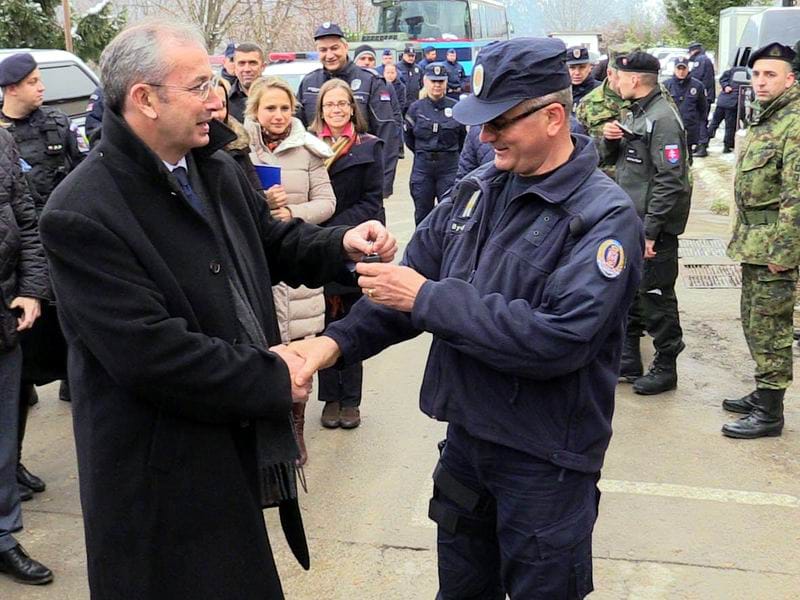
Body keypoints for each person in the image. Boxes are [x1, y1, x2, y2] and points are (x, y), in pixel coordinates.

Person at [37, 21, 396, 599]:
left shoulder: (214, 167)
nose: (218, 97)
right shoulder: (81, 212)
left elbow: (271, 244)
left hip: (228, 442)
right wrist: (274, 376)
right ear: (145, 99)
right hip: (159, 472)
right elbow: (152, 355)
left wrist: (342, 247)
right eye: (200, 85)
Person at [287, 37, 643, 599]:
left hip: (544, 461)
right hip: (468, 444)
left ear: (553, 117)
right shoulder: (477, 191)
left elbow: (560, 338)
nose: (485, 136)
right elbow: (398, 293)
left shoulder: (604, 218)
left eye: (499, 122)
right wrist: (327, 347)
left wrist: (428, 297)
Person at [0, 52, 84, 496]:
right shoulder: (3, 138)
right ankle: (9, 464)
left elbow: (83, 173)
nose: (42, 88)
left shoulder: (56, 125)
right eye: (33, 82)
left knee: (64, 356)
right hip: (20, 274)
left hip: (59, 261)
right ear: (11, 88)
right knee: (17, 381)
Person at [244, 76, 337, 464]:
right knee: (260, 351)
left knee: (300, 353)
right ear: (255, 112)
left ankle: (296, 429)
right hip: (258, 266)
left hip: (296, 270)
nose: (278, 115)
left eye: (285, 108)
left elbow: (327, 203)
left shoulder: (309, 151)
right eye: (270, 108)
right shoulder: (238, 151)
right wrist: (260, 204)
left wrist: (291, 214)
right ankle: (268, 428)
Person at [599, 51, 691, 395]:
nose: (615, 81)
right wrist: (610, 141)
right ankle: (629, 361)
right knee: (633, 293)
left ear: (634, 79)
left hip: (654, 228)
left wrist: (651, 232)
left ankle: (666, 365)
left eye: (619, 76)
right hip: (633, 223)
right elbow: (622, 163)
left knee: (656, 296)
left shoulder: (662, 117)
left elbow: (671, 180)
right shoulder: (636, 113)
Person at [723, 42, 800, 439]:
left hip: (774, 247)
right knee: (755, 323)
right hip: (754, 242)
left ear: (790, 78)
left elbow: (796, 194)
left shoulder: (795, 122)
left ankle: (771, 413)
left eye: (770, 74)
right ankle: (762, 390)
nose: (760, 81)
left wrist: (783, 253)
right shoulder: (766, 118)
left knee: (772, 328)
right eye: (756, 74)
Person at [309, 78, 385, 430]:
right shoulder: (309, 148)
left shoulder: (368, 147)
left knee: (353, 324)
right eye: (330, 105)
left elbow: (373, 201)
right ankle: (330, 399)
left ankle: (351, 400)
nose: (336, 110)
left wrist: (339, 230)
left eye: (343, 104)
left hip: (352, 247)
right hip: (316, 247)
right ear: (320, 110)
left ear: (352, 108)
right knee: (323, 324)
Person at [0, 127, 52, 586]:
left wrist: (32, 289)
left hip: (4, 319)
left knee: (1, 441)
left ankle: (2, 538)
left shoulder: (2, 143)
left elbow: (27, 220)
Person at [297, 23, 402, 198]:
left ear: (345, 47)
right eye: (323, 50)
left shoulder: (370, 81)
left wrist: (383, 184)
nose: (329, 55)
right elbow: (298, 132)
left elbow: (387, 134)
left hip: (360, 178)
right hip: (318, 181)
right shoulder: (308, 83)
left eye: (334, 48)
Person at [405, 63, 466, 224]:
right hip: (423, 167)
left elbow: (462, 139)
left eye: (440, 81)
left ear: (446, 82)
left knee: (450, 212)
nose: (437, 85)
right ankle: (422, 248)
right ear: (425, 81)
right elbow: (409, 138)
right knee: (422, 213)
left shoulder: (456, 108)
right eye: (433, 81)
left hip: (449, 167)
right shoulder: (415, 109)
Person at [575, 49, 630, 179]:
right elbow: (579, 148)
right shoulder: (588, 103)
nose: (627, 83)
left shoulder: (647, 96)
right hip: (605, 181)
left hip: (640, 182)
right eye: (621, 78)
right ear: (609, 74)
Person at [209, 78, 261, 192]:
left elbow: (255, 194)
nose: (217, 115)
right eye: (211, 107)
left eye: (222, 106)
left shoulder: (238, 145)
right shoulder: (184, 152)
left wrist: (266, 201)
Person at [664, 57, 708, 153]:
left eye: (683, 69)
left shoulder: (697, 86)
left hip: (690, 129)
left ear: (688, 69)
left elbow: (703, 110)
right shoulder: (666, 86)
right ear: (674, 69)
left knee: (688, 159)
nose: (681, 72)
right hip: (671, 129)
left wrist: (701, 135)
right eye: (678, 69)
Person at [687, 41, 716, 157]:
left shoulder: (700, 60)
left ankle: (702, 146)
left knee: (700, 120)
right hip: (706, 94)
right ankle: (701, 145)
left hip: (703, 96)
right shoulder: (705, 59)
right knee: (701, 120)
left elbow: (695, 77)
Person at [228, 42, 265, 122]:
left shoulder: (279, 98)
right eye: (242, 63)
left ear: (263, 67)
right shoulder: (225, 102)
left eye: (252, 63)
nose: (247, 69)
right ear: (234, 67)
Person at [707, 67, 741, 153]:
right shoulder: (743, 72)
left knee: (714, 123)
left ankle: (704, 143)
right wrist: (726, 86)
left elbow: (722, 79)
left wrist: (725, 86)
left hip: (723, 102)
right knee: (729, 126)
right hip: (731, 104)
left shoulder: (732, 70)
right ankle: (727, 146)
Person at [566, 46, 600, 111]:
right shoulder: (559, 92)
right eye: (572, 68)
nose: (577, 73)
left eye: (582, 67)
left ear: (590, 67)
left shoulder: (600, 90)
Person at [396, 47, 424, 112]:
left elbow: (422, 85)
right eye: (409, 56)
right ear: (404, 55)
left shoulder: (418, 68)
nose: (411, 58)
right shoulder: (397, 67)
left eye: (413, 56)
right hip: (402, 103)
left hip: (415, 103)